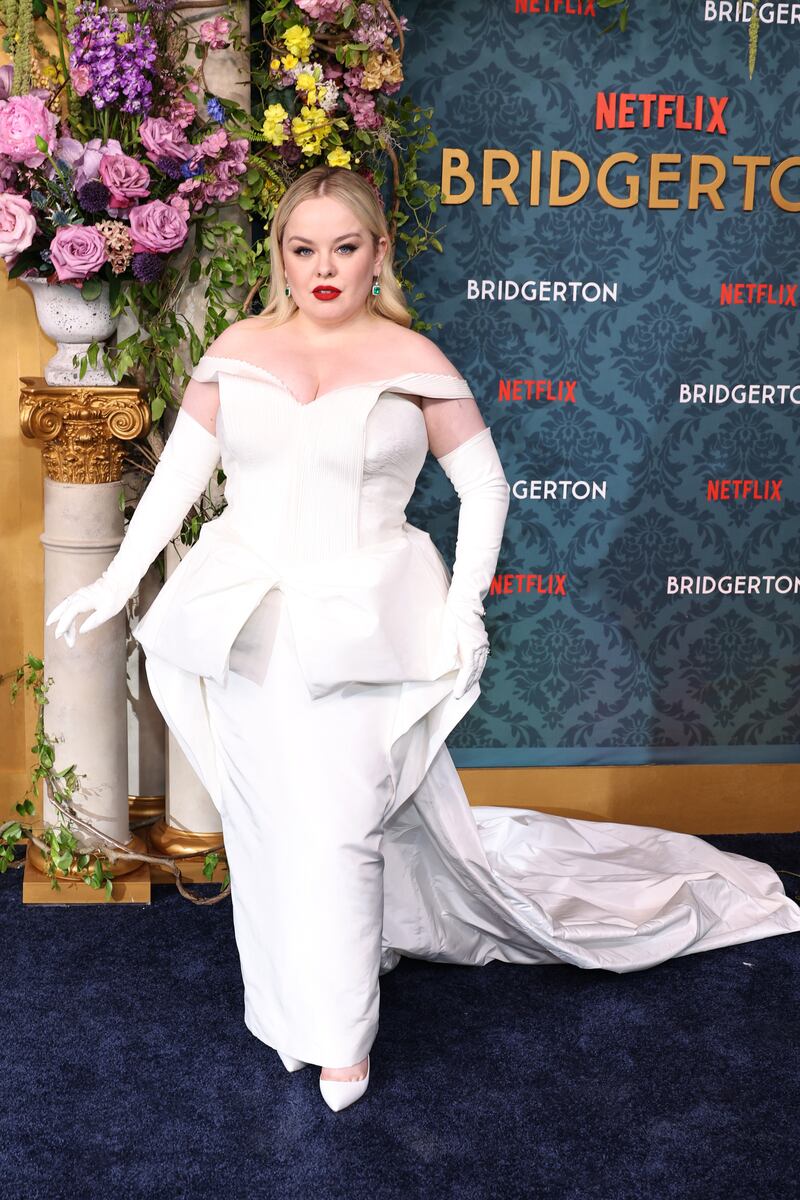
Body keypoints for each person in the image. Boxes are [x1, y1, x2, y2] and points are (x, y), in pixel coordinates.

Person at [46, 165, 800, 1113]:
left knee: (343, 830)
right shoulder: (236, 349)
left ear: (377, 255)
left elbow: (485, 488)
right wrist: (117, 580)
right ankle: (288, 1010)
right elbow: (172, 485)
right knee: (272, 828)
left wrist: (465, 607)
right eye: (302, 247)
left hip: (368, 623)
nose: (323, 268)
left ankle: (343, 1037)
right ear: (279, 256)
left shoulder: (416, 359)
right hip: (246, 629)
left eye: (345, 247)